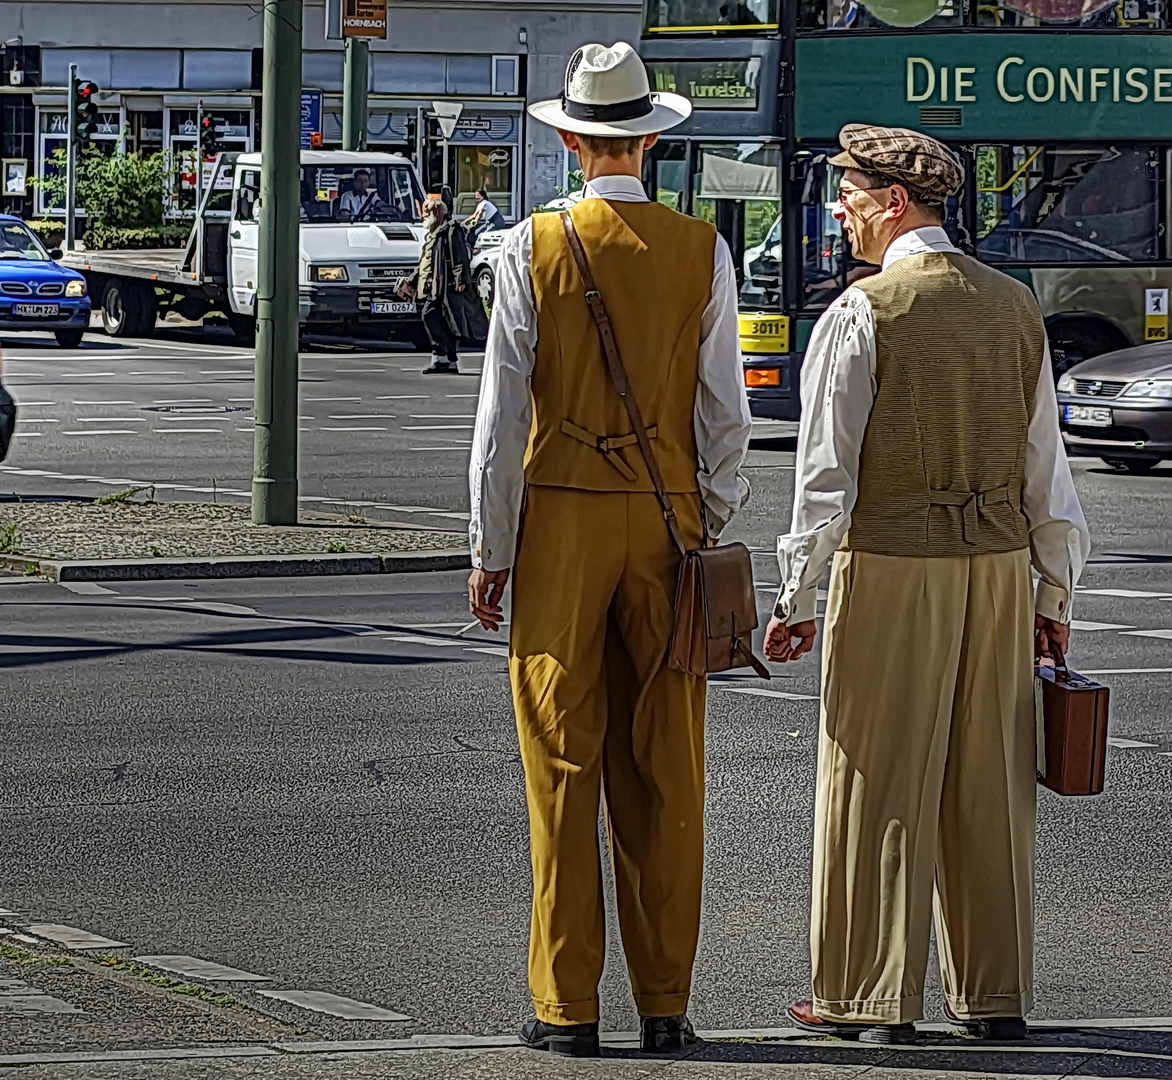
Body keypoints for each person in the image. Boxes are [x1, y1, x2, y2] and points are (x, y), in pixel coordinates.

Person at [765, 124, 1089, 1045]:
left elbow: (827, 480)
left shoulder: (864, 313)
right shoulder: (1015, 306)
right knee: (988, 782)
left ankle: (868, 997)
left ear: (891, 202)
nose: (841, 209)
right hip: (996, 567)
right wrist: (1051, 595)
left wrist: (797, 599)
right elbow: (1046, 468)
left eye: (849, 193)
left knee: (873, 778)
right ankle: (995, 994)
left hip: (895, 564)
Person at [466, 41, 751, 1058]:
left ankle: (565, 1005)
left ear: (573, 141)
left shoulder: (528, 248)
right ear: (645, 139)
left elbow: (501, 421)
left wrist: (490, 548)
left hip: (562, 521)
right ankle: (666, 1002)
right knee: (668, 763)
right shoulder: (701, 249)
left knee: (560, 762)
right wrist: (710, 516)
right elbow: (725, 414)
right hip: (671, 520)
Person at [397, 198, 485, 372]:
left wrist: (461, 281)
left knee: (430, 316)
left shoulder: (452, 230)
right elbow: (425, 262)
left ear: (436, 213)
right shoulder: (434, 232)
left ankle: (442, 358)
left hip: (445, 287)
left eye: (425, 211)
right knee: (443, 323)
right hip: (433, 286)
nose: (422, 215)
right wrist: (412, 281)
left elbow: (460, 256)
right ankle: (446, 360)